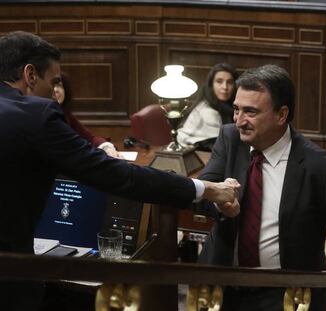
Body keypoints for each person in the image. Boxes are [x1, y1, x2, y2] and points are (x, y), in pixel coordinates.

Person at [0, 31, 240, 311]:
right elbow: (118, 176)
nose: (55, 94)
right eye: (53, 83)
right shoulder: (34, 115)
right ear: (30, 75)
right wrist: (206, 189)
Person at [196, 64, 326, 311]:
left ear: (282, 114)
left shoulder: (321, 167)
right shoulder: (229, 140)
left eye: (250, 112)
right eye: (237, 110)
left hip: (291, 297)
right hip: (223, 292)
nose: (239, 121)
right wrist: (219, 200)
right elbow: (203, 197)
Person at [53, 72, 122, 158]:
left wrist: (106, 146)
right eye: (52, 85)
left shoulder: (66, 113)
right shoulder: (43, 117)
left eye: (59, 86)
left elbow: (90, 138)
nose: (55, 90)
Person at [177, 63, 238, 151]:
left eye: (229, 82)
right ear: (211, 85)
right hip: (193, 152)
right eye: (219, 81)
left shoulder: (231, 107)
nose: (225, 87)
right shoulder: (207, 110)